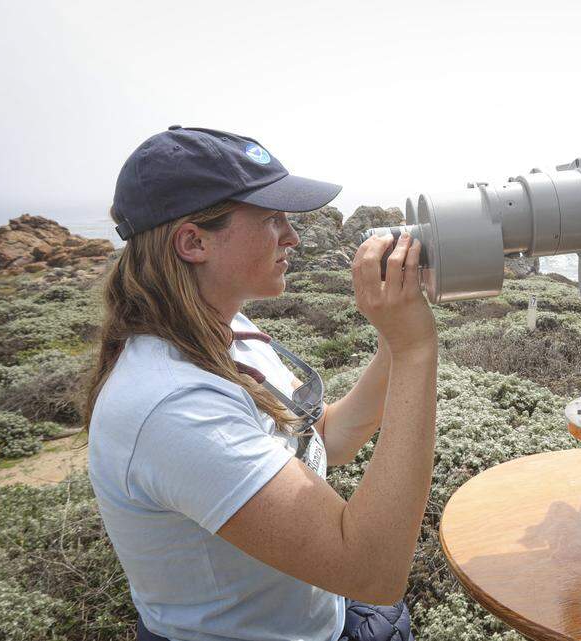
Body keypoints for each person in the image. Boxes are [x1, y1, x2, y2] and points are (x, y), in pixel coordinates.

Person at [83, 126, 438, 641]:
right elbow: (372, 570)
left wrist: (392, 336)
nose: (292, 236)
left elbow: (326, 441)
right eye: (272, 219)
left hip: (322, 618)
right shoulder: (172, 407)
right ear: (193, 241)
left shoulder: (228, 332)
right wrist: (414, 349)